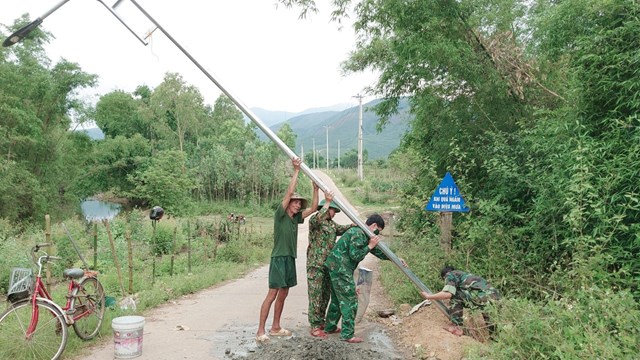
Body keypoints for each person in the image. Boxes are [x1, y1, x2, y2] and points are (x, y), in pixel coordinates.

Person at [255, 157, 319, 343]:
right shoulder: (280, 215)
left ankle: (275, 327)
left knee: (284, 293)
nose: (298, 204)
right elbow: (289, 191)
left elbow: (314, 208)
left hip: (290, 258)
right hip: (278, 258)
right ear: (289, 203)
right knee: (272, 294)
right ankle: (260, 331)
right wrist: (296, 170)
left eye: (299, 202)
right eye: (295, 201)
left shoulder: (296, 219)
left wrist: (316, 189)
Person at [324, 214, 406, 343]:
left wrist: (395, 259)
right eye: (378, 230)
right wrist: (370, 246)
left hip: (336, 266)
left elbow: (378, 252)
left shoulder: (363, 233)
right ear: (373, 226)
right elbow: (355, 255)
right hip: (341, 268)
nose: (377, 233)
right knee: (350, 301)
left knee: (336, 299)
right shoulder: (358, 233)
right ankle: (347, 334)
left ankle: (330, 327)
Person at [306, 191, 355, 338]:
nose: (334, 214)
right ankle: (314, 326)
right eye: (333, 210)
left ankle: (322, 322)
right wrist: (327, 203)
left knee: (325, 295)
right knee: (316, 295)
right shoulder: (316, 221)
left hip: (328, 265)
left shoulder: (332, 225)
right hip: (315, 264)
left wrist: (352, 225)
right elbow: (317, 218)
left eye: (334, 211)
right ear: (326, 208)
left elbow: (341, 229)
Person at [420, 266, 501, 336]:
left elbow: (447, 294)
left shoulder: (450, 275)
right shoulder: (465, 275)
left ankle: (457, 327)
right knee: (491, 319)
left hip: (482, 297)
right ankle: (495, 339)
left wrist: (429, 296)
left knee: (455, 295)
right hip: (496, 297)